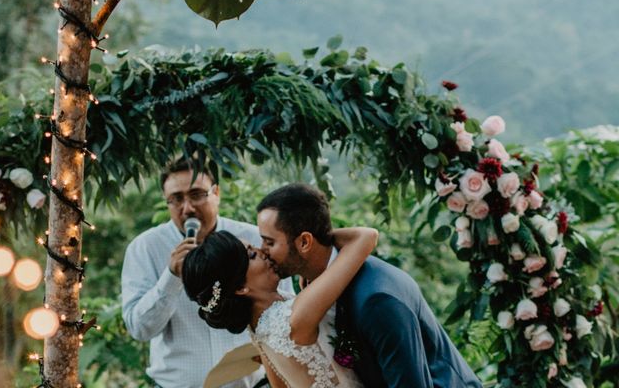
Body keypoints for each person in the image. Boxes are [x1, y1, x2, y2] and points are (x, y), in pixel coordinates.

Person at [255, 183, 483, 388]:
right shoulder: (311, 282)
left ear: (304, 242)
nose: (262, 250)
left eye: (269, 242)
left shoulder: (377, 300)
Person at [122, 157, 267, 388]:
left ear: (216, 192)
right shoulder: (145, 248)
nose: (187, 208)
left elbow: (279, 306)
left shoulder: (252, 239)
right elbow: (140, 329)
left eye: (197, 194)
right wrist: (171, 277)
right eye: (176, 199)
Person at [182, 226, 376, 387]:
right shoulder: (292, 319)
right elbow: (366, 237)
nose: (262, 252)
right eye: (251, 255)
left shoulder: (259, 326)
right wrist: (308, 240)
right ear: (241, 288)